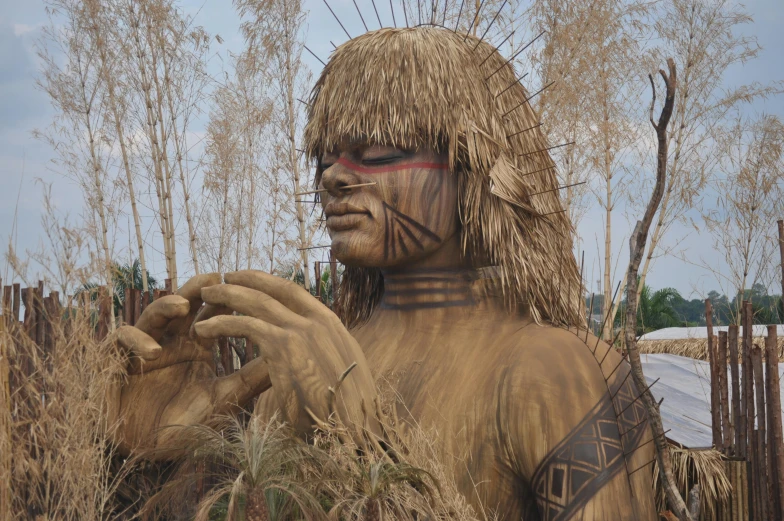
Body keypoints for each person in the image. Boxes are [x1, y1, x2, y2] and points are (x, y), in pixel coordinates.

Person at [114, 26, 657, 520]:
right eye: (326, 157)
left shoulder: (551, 370)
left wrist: (364, 452)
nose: (332, 178)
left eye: (375, 151)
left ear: (471, 161)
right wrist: (150, 458)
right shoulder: (309, 363)